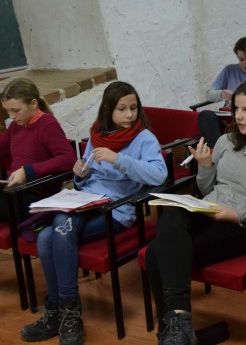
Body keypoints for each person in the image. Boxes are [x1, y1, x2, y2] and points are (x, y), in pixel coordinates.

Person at [146, 78, 246, 345]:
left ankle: (174, 333)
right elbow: (207, 188)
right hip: (209, 209)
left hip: (240, 225)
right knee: (172, 214)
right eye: (236, 109)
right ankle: (179, 325)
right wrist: (205, 166)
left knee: (157, 252)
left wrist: (234, 215)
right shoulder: (227, 141)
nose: (238, 116)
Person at [20, 81, 168, 345]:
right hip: (88, 201)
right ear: (108, 109)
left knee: (55, 230)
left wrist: (118, 159)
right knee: (46, 236)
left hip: (116, 209)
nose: (129, 115)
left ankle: (66, 313)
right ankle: (61, 313)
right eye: (122, 109)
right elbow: (87, 178)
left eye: (133, 108)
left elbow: (159, 175)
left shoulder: (144, 138)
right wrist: (81, 174)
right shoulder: (98, 134)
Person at [0, 78, 77, 221]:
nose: (11, 116)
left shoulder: (47, 124)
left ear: (33, 104)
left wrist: (28, 171)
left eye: (15, 110)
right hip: (17, 191)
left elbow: (69, 159)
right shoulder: (16, 126)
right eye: (8, 111)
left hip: (37, 194)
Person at [205, 36, 246, 104]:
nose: (245, 64)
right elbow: (208, 94)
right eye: (241, 59)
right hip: (231, 109)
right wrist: (221, 94)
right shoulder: (230, 70)